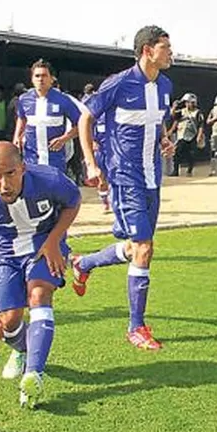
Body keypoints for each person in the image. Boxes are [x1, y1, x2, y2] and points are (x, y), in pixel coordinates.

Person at [72, 25, 176, 350]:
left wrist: (164, 139)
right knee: (145, 248)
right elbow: (85, 119)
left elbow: (155, 118)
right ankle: (136, 327)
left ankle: (83, 264)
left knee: (134, 248)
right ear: (148, 50)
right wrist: (91, 163)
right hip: (124, 176)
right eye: (166, 48)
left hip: (152, 176)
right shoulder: (118, 84)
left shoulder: (166, 85)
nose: (171, 53)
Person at [0, 142, 81, 408]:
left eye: (9, 173)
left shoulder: (49, 179)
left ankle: (34, 376)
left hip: (43, 243)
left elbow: (73, 201)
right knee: (9, 320)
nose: (3, 183)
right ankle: (22, 350)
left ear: (23, 168)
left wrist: (55, 240)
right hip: (4, 251)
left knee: (39, 292)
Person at [12, 59, 83, 174]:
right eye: (37, 76)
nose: (40, 79)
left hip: (55, 161)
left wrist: (64, 139)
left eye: (44, 75)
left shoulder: (63, 100)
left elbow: (81, 124)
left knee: (54, 192)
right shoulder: (24, 100)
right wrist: (16, 137)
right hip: (31, 160)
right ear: (32, 79)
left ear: (51, 79)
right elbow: (22, 118)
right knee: (31, 191)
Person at [170, 93, 205, 176]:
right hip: (182, 135)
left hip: (192, 136)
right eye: (187, 102)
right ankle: (175, 170)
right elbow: (173, 115)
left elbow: (201, 125)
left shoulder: (197, 112)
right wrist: (174, 106)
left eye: (190, 102)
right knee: (177, 152)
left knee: (191, 154)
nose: (189, 104)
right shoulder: (182, 111)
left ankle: (189, 170)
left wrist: (199, 136)